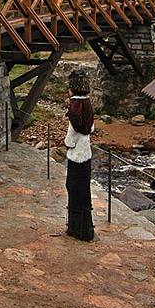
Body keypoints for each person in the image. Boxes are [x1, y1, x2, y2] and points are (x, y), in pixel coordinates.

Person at [64, 68, 95, 241]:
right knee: (84, 191)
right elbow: (90, 128)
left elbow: (71, 137)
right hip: (87, 153)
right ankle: (86, 228)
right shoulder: (88, 105)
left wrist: (67, 144)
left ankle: (75, 228)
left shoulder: (75, 107)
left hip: (76, 155)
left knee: (73, 188)